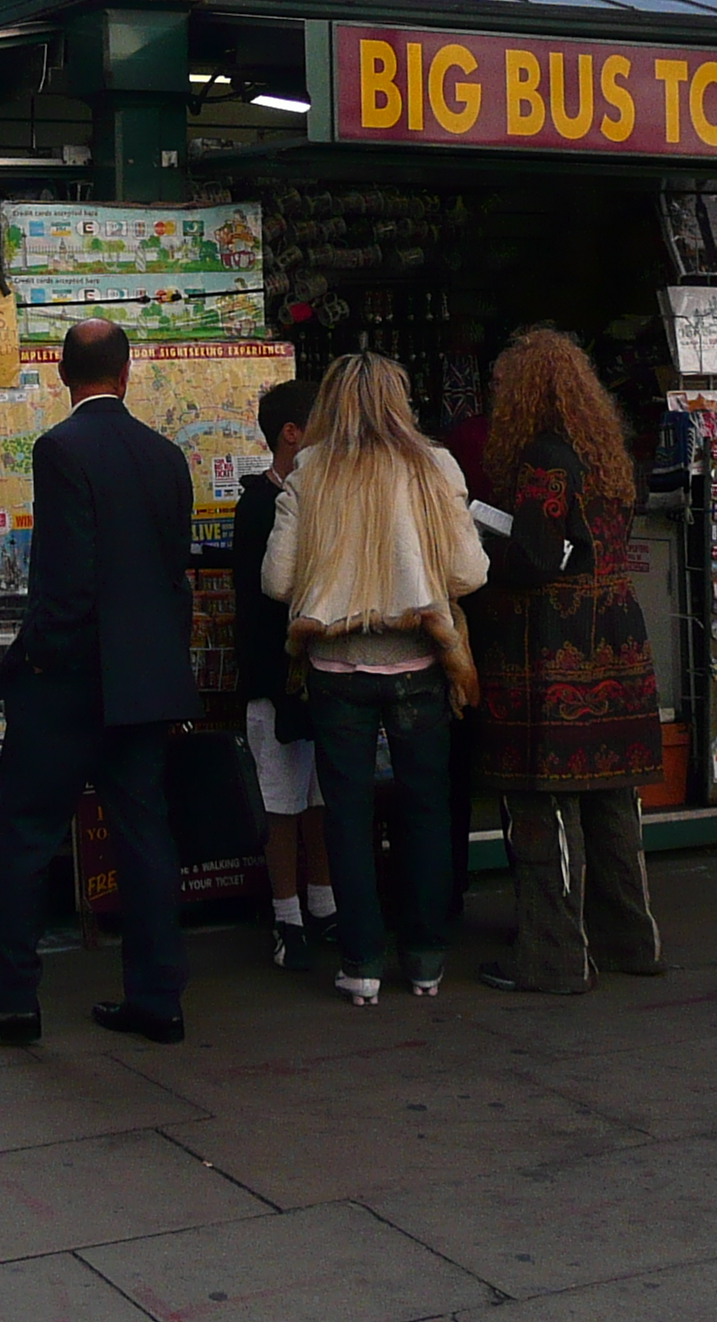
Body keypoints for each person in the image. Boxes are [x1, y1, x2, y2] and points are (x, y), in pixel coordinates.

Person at [0, 319, 198, 1048]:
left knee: (22, 834)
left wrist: (39, 661)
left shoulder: (60, 449)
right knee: (145, 836)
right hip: (145, 683)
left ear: (61, 375)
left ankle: (9, 995)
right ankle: (157, 996)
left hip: (73, 679)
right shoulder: (167, 455)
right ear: (126, 374)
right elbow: (177, 575)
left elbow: (64, 577)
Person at [263, 352, 486, 1004]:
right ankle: (424, 959)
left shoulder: (310, 470)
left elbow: (277, 581)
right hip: (419, 663)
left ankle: (360, 963)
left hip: (335, 669)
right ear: (401, 399)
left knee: (347, 817)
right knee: (425, 811)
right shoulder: (434, 466)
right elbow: (470, 575)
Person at [469, 327, 667, 993]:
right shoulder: (605, 451)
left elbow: (531, 559)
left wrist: (479, 547)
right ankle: (628, 940)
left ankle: (553, 957)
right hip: (617, 635)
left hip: (552, 647)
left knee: (542, 803)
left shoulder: (545, 459)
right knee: (614, 798)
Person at [233, 377, 335, 969]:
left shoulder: (312, 498)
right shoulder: (261, 507)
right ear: (291, 435)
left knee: (318, 800)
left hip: (318, 676)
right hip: (276, 679)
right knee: (281, 805)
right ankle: (287, 917)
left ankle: (322, 904)